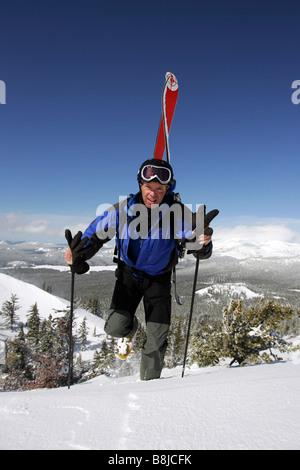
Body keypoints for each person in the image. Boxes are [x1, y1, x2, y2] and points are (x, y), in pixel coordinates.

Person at [65, 158, 217, 380]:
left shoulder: (177, 213)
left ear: (167, 189)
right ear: (140, 185)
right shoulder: (122, 210)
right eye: (148, 187)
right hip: (128, 276)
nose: (153, 194)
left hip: (159, 281)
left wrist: (203, 244)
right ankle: (131, 328)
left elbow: (195, 240)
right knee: (115, 328)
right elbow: (94, 234)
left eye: (159, 188)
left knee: (157, 340)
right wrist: (79, 253)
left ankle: (150, 389)